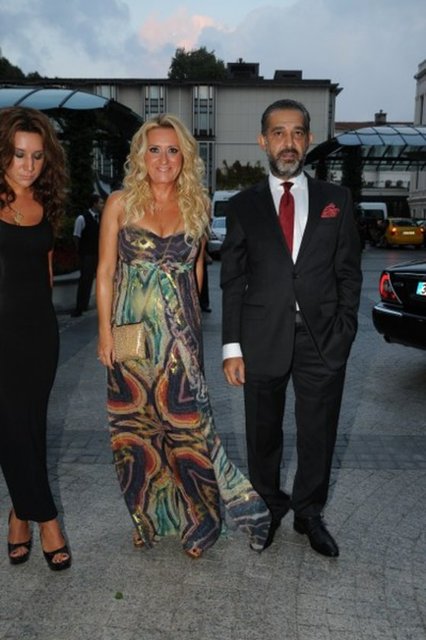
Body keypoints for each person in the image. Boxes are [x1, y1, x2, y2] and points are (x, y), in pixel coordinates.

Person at [96, 114, 271, 558]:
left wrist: (189, 332)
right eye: (154, 149)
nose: (163, 158)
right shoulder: (120, 203)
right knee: (137, 431)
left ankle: (203, 519)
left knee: (189, 428)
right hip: (130, 334)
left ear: (184, 157)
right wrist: (104, 334)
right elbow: (105, 271)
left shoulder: (198, 204)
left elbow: (196, 275)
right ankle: (149, 517)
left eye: (172, 150)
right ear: (141, 155)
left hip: (179, 338)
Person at [220, 99, 362, 557]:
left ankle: (309, 512)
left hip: (323, 338)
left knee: (318, 431)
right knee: (262, 432)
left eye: (297, 132)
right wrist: (231, 347)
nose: (288, 142)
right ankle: (267, 509)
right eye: (278, 133)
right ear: (263, 140)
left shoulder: (336, 200)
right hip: (261, 337)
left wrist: (344, 329)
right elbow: (233, 280)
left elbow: (349, 273)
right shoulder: (242, 205)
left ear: (309, 140)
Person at [0, 106, 71, 570]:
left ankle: (18, 514)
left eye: (37, 156)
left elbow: (44, 276)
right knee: (9, 426)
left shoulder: (45, 205)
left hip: (39, 334)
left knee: (30, 427)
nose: (28, 165)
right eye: (18, 154)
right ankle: (47, 520)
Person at [71, 193, 104, 317]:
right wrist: (80, 251)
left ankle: (86, 305)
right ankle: (79, 307)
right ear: (94, 204)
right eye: (100, 203)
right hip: (87, 255)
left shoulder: (100, 218)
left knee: (95, 280)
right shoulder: (82, 218)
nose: (102, 205)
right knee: (85, 280)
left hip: (97, 254)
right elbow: (76, 236)